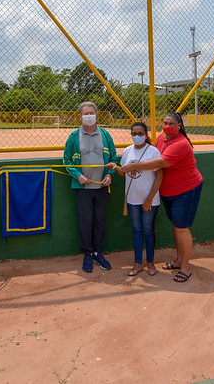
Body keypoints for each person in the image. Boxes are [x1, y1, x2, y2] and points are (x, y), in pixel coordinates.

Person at [119, 112, 203, 283]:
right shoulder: (161, 139)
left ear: (179, 125)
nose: (167, 125)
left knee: (181, 228)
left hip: (186, 189)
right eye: (164, 122)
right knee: (175, 226)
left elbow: (160, 163)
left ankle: (185, 268)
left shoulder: (181, 143)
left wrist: (134, 166)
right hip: (169, 191)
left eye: (171, 123)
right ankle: (179, 261)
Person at [63, 101, 118, 273]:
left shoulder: (105, 135)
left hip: (101, 187)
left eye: (91, 113)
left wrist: (110, 175)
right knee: (85, 221)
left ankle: (98, 252)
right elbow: (67, 161)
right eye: (85, 113)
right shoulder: (73, 136)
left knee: (100, 221)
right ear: (80, 116)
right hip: (83, 188)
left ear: (96, 114)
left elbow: (114, 159)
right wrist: (78, 176)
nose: (88, 116)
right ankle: (87, 253)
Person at [108, 122, 163, 276]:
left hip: (149, 199)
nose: (137, 136)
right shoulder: (127, 151)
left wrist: (149, 199)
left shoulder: (153, 151)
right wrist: (116, 167)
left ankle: (151, 263)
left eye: (140, 133)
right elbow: (124, 173)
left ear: (146, 135)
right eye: (134, 133)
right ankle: (138, 263)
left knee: (148, 230)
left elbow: (159, 176)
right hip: (133, 199)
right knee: (137, 230)